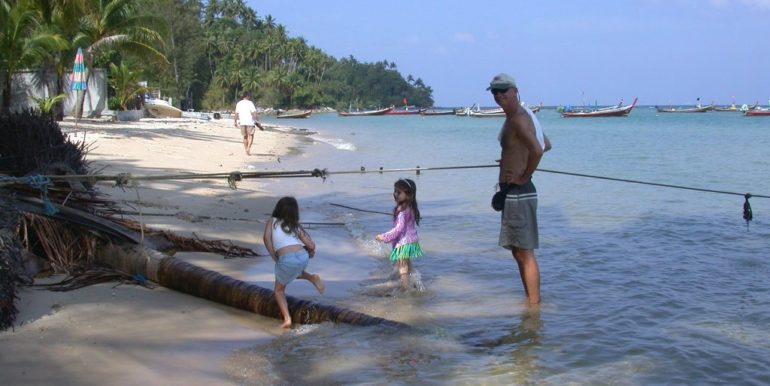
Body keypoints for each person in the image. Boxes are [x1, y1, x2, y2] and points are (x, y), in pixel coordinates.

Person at [488, 73, 551, 305]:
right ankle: (530, 303)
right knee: (517, 251)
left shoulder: (517, 118)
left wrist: (523, 175)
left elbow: (538, 150)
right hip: (513, 193)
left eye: (503, 90)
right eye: (494, 91)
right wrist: (512, 158)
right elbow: (547, 143)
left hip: (520, 192)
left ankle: (534, 310)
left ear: (515, 91)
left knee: (524, 252)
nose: (499, 95)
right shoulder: (522, 117)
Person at [263, 196, 324, 328]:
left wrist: (274, 256)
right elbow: (312, 246)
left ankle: (287, 319)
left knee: (278, 291)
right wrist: (309, 252)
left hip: (287, 259)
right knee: (293, 270)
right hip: (302, 257)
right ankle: (312, 278)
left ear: (278, 208)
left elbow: (266, 239)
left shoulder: (271, 222)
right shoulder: (295, 225)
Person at [375, 178, 423, 291]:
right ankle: (417, 284)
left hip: (404, 244)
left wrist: (383, 237)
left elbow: (398, 229)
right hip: (411, 242)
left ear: (408, 195)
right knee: (408, 265)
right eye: (395, 191)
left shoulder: (402, 211)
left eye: (399, 192)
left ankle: (405, 290)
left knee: (403, 268)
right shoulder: (410, 208)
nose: (395, 194)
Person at [234, 91, 263, 155]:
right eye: (249, 96)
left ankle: (246, 149)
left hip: (242, 122)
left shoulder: (239, 103)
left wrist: (235, 121)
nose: (250, 97)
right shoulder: (250, 103)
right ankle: (248, 148)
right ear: (248, 96)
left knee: (245, 136)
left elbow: (236, 113)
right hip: (250, 122)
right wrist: (258, 121)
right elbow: (254, 113)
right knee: (251, 136)